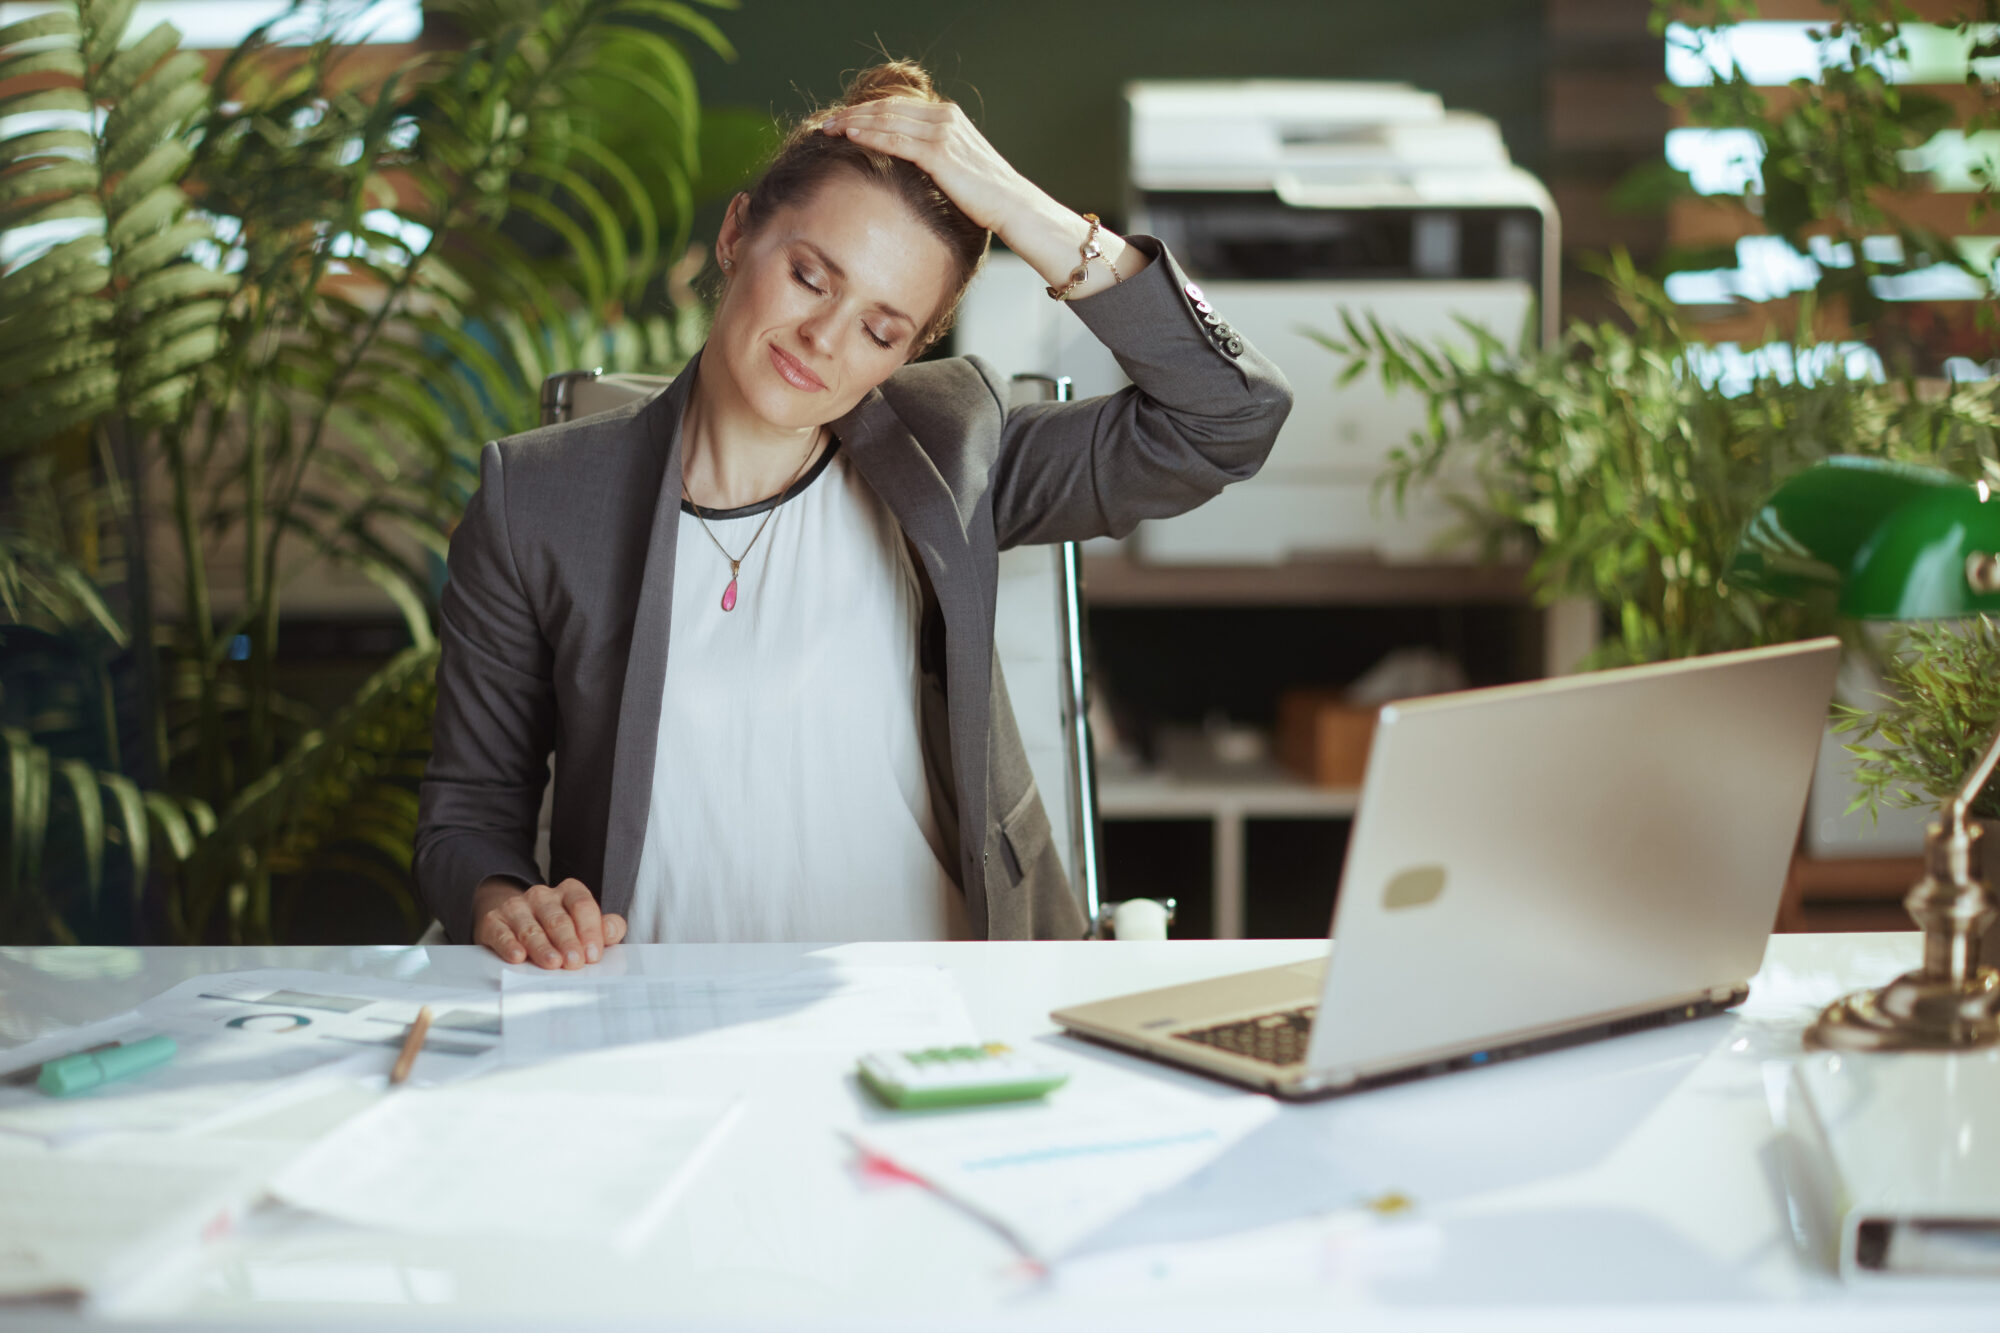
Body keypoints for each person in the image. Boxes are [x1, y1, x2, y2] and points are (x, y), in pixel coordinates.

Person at [414, 60, 1293, 968]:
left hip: (935, 1007)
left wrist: (1018, 205)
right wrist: (506, 903)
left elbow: (1230, 418)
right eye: (810, 276)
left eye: (881, 330)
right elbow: (466, 818)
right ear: (736, 234)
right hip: (653, 1004)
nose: (824, 339)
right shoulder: (537, 500)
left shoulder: (951, 448)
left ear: (909, 353)